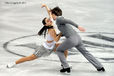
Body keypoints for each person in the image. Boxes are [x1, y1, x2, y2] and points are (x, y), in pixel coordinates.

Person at [49, 6, 105, 73]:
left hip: (72, 39)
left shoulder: (59, 19)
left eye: (51, 15)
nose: (51, 17)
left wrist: (78, 26)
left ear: (54, 14)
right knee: (85, 52)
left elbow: (68, 21)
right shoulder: (60, 21)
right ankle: (99, 66)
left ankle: (66, 67)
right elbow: (66, 31)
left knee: (59, 50)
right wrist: (59, 35)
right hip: (78, 38)